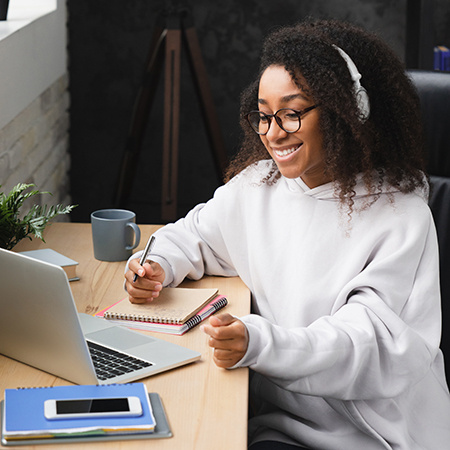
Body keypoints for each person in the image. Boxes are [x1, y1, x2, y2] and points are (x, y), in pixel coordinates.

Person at [124, 19, 450, 450]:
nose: (273, 133)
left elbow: (366, 344)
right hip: (280, 424)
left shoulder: (401, 216)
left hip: (375, 434)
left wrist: (259, 343)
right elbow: (196, 235)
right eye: (263, 115)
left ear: (345, 110)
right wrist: (156, 265)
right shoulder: (259, 186)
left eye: (291, 114)